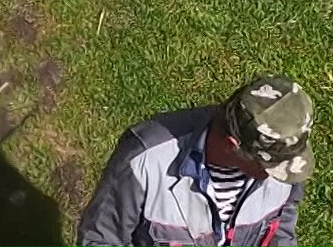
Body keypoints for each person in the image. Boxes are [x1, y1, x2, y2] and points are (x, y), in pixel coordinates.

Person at [76, 75, 311, 247]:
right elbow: (101, 240)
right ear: (232, 145)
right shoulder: (145, 159)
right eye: (269, 166)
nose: (281, 175)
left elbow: (282, 222)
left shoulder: (286, 158)